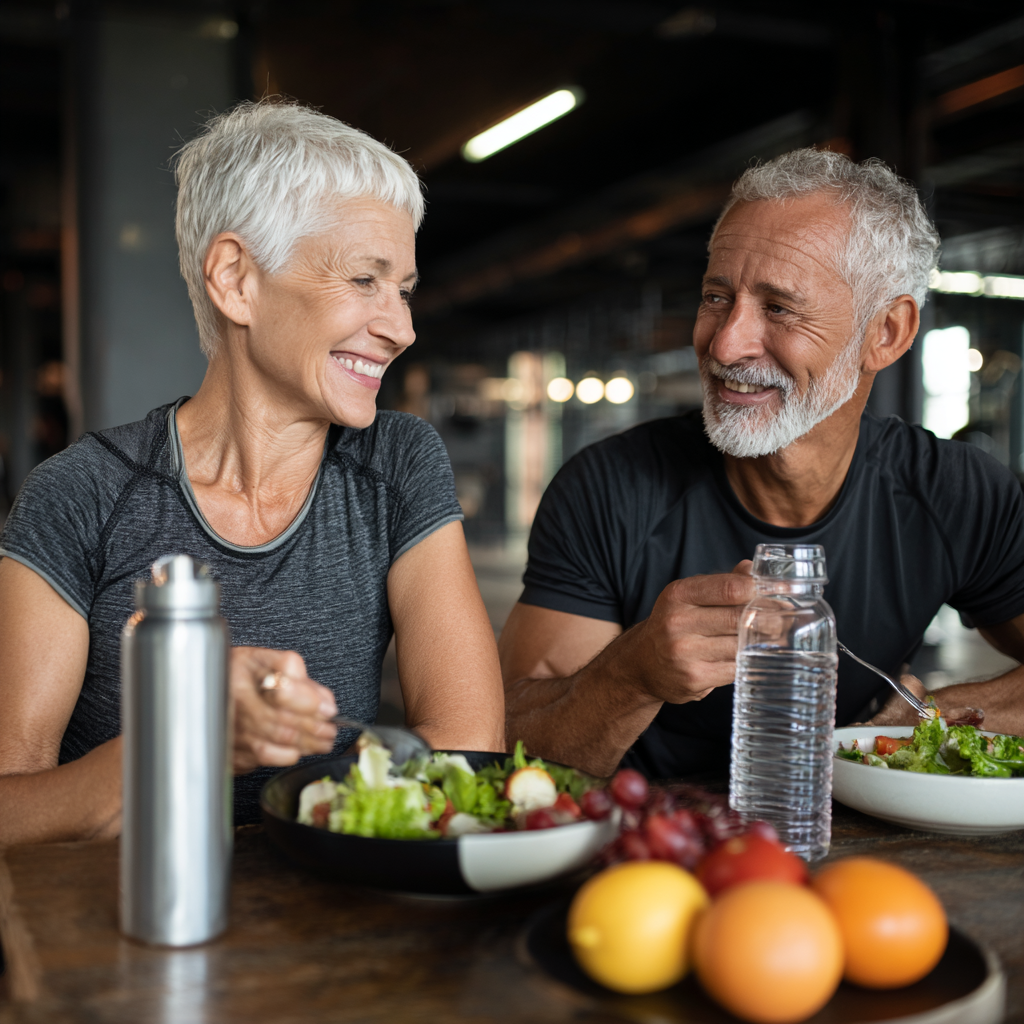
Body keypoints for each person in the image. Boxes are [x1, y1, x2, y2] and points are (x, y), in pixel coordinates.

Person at [0, 100, 505, 845]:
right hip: (127, 911)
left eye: (403, 289)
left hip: (331, 902)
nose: (401, 328)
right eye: (363, 279)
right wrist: (181, 738)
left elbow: (466, 752)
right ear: (236, 279)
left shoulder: (396, 463)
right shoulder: (81, 495)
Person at [500, 148, 1024, 779]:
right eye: (716, 297)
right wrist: (632, 673)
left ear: (886, 333)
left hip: (843, 828)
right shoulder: (610, 487)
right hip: (652, 828)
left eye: (778, 308)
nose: (725, 344)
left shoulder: (957, 492)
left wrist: (933, 716)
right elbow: (508, 742)